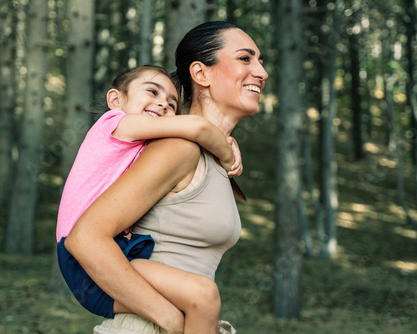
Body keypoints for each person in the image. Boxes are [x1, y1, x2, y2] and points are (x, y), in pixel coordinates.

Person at [64, 21, 268, 334]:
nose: (262, 72)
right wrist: (172, 320)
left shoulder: (206, 155)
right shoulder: (179, 148)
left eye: (261, 62)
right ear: (201, 74)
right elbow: (85, 238)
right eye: (245, 59)